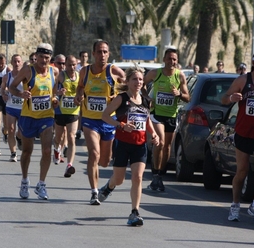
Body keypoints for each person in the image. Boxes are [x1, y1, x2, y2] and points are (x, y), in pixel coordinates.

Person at [98, 65, 159, 226]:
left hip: (139, 145)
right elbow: (105, 116)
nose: (138, 82)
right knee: (119, 179)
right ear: (128, 81)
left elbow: (146, 121)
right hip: (123, 144)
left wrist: (153, 134)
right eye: (135, 79)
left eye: (140, 79)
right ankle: (109, 187)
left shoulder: (146, 100)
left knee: (138, 177)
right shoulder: (121, 98)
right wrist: (120, 125)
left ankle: (135, 212)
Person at [222, 50, 254, 224]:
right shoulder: (243, 80)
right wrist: (231, 98)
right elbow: (224, 99)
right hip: (243, 133)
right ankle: (235, 204)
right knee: (241, 172)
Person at [74, 40, 125, 205]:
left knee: (104, 161)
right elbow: (80, 87)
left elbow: (128, 86)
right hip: (90, 120)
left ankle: (104, 187)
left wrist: (117, 97)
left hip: (108, 120)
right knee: (94, 154)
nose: (102, 55)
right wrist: (79, 94)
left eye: (105, 52)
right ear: (93, 54)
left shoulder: (114, 71)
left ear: (108, 54)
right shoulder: (85, 71)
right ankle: (94, 192)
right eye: (99, 52)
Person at [9, 43, 59, 200]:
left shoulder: (54, 71)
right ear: (35, 56)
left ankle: (41, 184)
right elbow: (11, 87)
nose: (43, 60)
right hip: (28, 117)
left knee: (46, 151)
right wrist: (20, 94)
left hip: (46, 116)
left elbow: (55, 90)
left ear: (50, 58)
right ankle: (24, 180)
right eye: (41, 57)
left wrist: (56, 98)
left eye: (47, 57)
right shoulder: (27, 70)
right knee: (27, 151)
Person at [143, 48, 190, 191]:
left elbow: (188, 97)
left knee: (167, 147)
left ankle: (159, 175)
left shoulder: (180, 76)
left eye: (174, 59)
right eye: (169, 58)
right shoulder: (155, 74)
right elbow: (141, 85)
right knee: (161, 142)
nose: (172, 61)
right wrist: (147, 98)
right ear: (164, 60)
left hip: (171, 115)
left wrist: (179, 94)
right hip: (156, 114)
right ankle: (156, 175)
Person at [53, 55, 80, 177]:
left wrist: (81, 98)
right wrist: (58, 93)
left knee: (71, 136)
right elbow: (52, 92)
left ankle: (69, 164)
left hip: (73, 111)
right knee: (58, 137)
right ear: (65, 65)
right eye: (69, 65)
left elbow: (83, 92)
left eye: (74, 65)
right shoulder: (61, 76)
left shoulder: (79, 77)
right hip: (60, 110)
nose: (72, 67)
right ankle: (56, 149)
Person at [1, 54, 24, 162]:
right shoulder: (7, 76)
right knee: (10, 130)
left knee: (21, 131)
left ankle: (19, 138)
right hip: (11, 106)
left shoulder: (26, 77)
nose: (16, 64)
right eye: (14, 61)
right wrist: (4, 93)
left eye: (18, 61)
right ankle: (13, 153)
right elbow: (2, 88)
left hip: (23, 108)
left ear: (22, 63)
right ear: (11, 62)